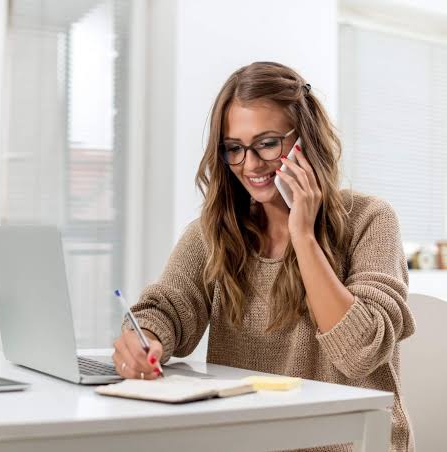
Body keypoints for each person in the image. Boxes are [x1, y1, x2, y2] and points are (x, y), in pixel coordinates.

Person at [111, 61, 415, 452]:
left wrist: (302, 235)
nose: (250, 164)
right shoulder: (217, 231)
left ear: (306, 139)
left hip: (348, 443)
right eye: (234, 149)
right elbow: (167, 307)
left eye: (267, 143)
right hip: (249, 440)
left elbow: (360, 352)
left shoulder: (370, 220)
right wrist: (144, 339)